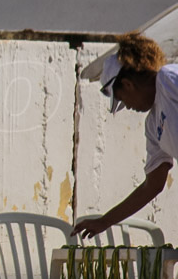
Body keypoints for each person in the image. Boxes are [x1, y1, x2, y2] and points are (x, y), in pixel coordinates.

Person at [73, 32, 176, 240]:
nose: (127, 107)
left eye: (122, 99)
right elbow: (152, 186)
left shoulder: (168, 79)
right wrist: (104, 221)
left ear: (128, 85)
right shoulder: (153, 125)